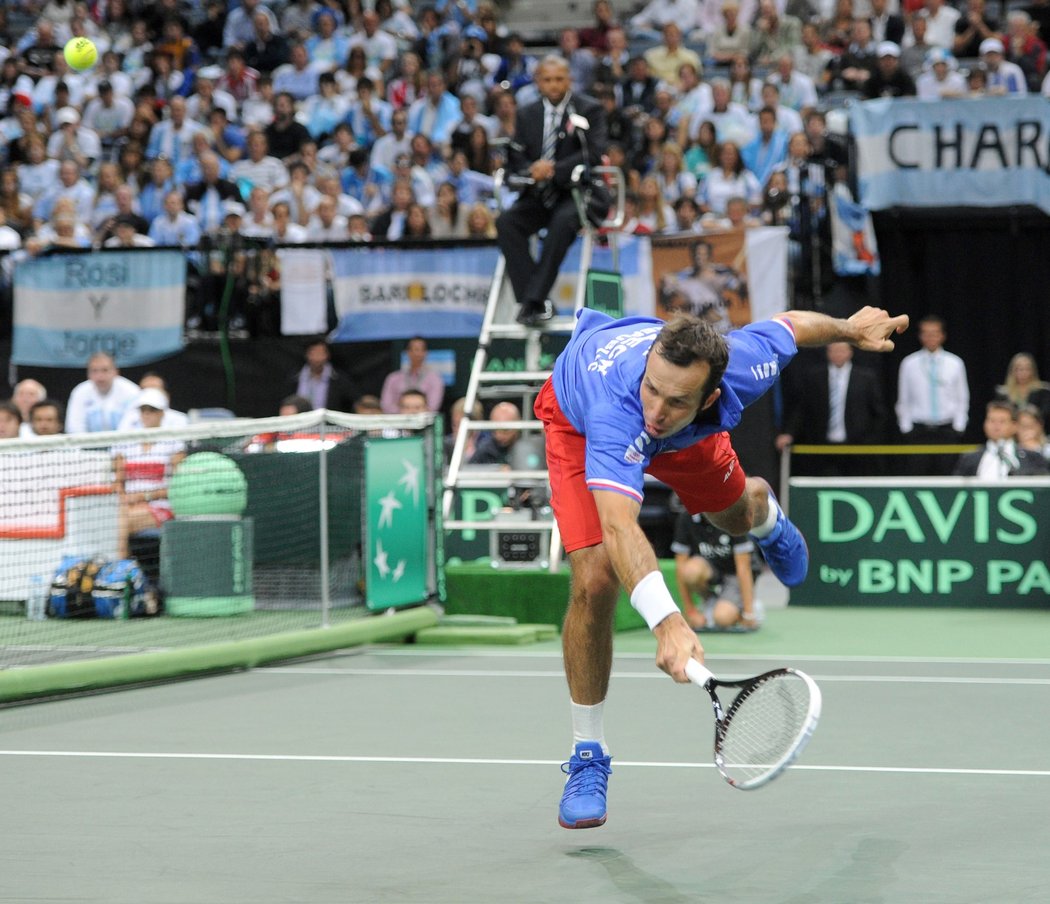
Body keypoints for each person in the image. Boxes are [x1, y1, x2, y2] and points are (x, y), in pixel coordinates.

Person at [534, 304, 908, 830]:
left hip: (691, 438)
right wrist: (667, 622)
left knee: (734, 517)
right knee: (596, 579)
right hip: (579, 423)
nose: (657, 410)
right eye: (653, 388)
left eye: (677, 399)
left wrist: (850, 328)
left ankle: (765, 513)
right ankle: (588, 754)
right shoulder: (619, 408)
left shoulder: (742, 364)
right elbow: (620, 526)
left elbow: (793, 326)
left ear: (710, 396)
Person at [495, 56, 607, 327]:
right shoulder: (526, 113)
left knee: (562, 223)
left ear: (569, 80)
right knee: (506, 223)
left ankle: (532, 301)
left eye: (559, 79)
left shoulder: (589, 109)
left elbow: (593, 153)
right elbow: (517, 154)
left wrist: (554, 169)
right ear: (538, 82)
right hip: (538, 194)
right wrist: (532, 168)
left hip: (578, 193)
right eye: (547, 79)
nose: (554, 85)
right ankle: (533, 302)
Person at [776, 342, 888, 476]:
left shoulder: (866, 378)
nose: (837, 354)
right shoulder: (814, 377)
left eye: (841, 350)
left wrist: (869, 440)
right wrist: (789, 433)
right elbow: (802, 409)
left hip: (857, 448)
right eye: (833, 350)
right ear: (827, 352)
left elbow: (878, 413)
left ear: (850, 352)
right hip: (821, 448)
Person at [896, 314, 969, 476]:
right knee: (918, 477)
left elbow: (962, 398)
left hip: (947, 431)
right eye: (926, 333)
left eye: (935, 333)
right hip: (919, 431)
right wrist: (906, 427)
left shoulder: (955, 363)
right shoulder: (909, 363)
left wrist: (959, 426)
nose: (931, 337)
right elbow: (904, 399)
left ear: (942, 335)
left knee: (949, 476)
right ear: (920, 336)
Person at [671, 510, 761, 631]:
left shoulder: (734, 514)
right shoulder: (686, 517)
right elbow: (680, 567)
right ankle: (711, 602)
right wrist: (691, 612)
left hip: (734, 575)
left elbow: (744, 568)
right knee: (690, 571)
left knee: (723, 618)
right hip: (710, 571)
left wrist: (749, 613)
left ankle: (747, 607)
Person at [953, 400, 1049, 477]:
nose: (996, 426)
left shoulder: (1032, 458)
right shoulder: (970, 459)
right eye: (991, 420)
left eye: (1002, 421)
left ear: (1014, 426)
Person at [65, 352, 140, 434]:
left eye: (105, 370)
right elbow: (74, 428)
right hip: (88, 444)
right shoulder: (79, 392)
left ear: (116, 372)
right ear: (88, 374)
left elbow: (135, 426)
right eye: (94, 371)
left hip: (125, 444)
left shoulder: (131, 391)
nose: (100, 376)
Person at [287, 339, 358, 412]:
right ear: (306, 354)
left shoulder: (338, 378)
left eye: (321, 353)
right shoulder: (294, 377)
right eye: (313, 353)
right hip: (300, 421)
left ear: (327, 355)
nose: (317, 358)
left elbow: (353, 400)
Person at [380, 336, 445, 414]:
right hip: (397, 422)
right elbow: (386, 405)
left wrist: (414, 412)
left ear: (426, 353)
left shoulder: (435, 379)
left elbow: (433, 407)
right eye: (414, 349)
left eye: (421, 350)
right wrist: (405, 413)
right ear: (408, 352)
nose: (417, 353)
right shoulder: (393, 378)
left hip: (424, 423)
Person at [994, 352, 1050, 427]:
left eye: (1027, 369)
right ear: (1013, 371)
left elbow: (1045, 416)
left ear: (1033, 371)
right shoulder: (1003, 393)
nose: (1023, 373)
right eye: (1020, 369)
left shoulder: (1043, 391)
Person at [468, 401, 522, 465]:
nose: (499, 435)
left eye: (505, 430)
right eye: (495, 430)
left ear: (518, 424)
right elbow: (470, 469)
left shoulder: (527, 447)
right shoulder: (485, 449)